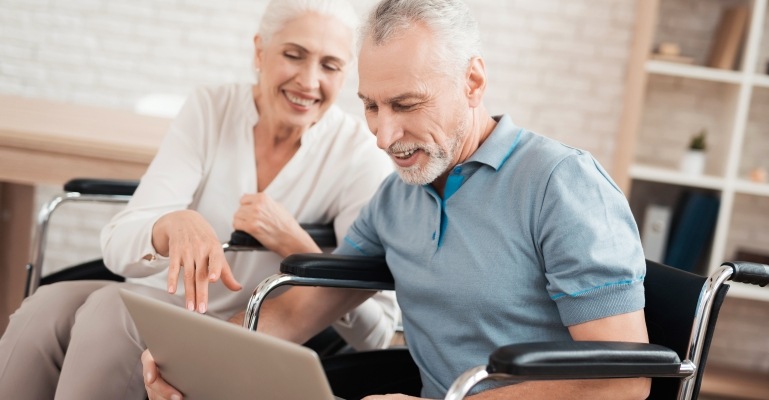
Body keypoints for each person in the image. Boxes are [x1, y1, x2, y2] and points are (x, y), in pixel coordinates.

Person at [143, 0, 651, 399]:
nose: (384, 137)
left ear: (473, 82)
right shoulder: (397, 197)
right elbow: (298, 311)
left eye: (406, 105)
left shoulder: (561, 184)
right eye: (371, 107)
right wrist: (193, 365)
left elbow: (622, 380)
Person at [0, 1, 401, 399]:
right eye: (293, 55)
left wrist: (296, 245)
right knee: (45, 306)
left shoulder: (359, 156)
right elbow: (118, 245)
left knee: (111, 309)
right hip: (156, 297)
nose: (309, 81)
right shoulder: (212, 108)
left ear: (346, 73)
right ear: (260, 51)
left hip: (247, 323)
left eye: (330, 66)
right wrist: (171, 223)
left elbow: (376, 331)